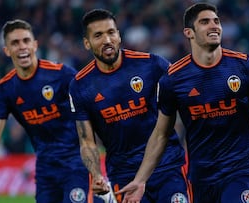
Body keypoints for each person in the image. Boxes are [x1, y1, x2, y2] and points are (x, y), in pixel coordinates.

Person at [118, 3, 249, 203]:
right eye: (205, 22)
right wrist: (141, 179)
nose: (214, 26)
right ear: (188, 32)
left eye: (216, 21)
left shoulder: (244, 66)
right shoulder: (173, 79)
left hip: (242, 168)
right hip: (201, 175)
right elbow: (161, 133)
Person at [68, 8, 188, 203]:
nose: (107, 40)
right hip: (124, 173)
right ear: (87, 43)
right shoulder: (80, 85)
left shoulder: (152, 65)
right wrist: (96, 174)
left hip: (167, 167)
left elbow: (187, 98)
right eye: (98, 35)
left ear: (119, 35)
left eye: (111, 32)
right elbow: (87, 141)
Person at [0, 19, 99, 203]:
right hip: (45, 166)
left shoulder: (61, 74)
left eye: (26, 41)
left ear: (35, 45)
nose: (22, 47)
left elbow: (93, 103)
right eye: (15, 43)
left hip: (75, 160)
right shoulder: (5, 88)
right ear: (7, 50)